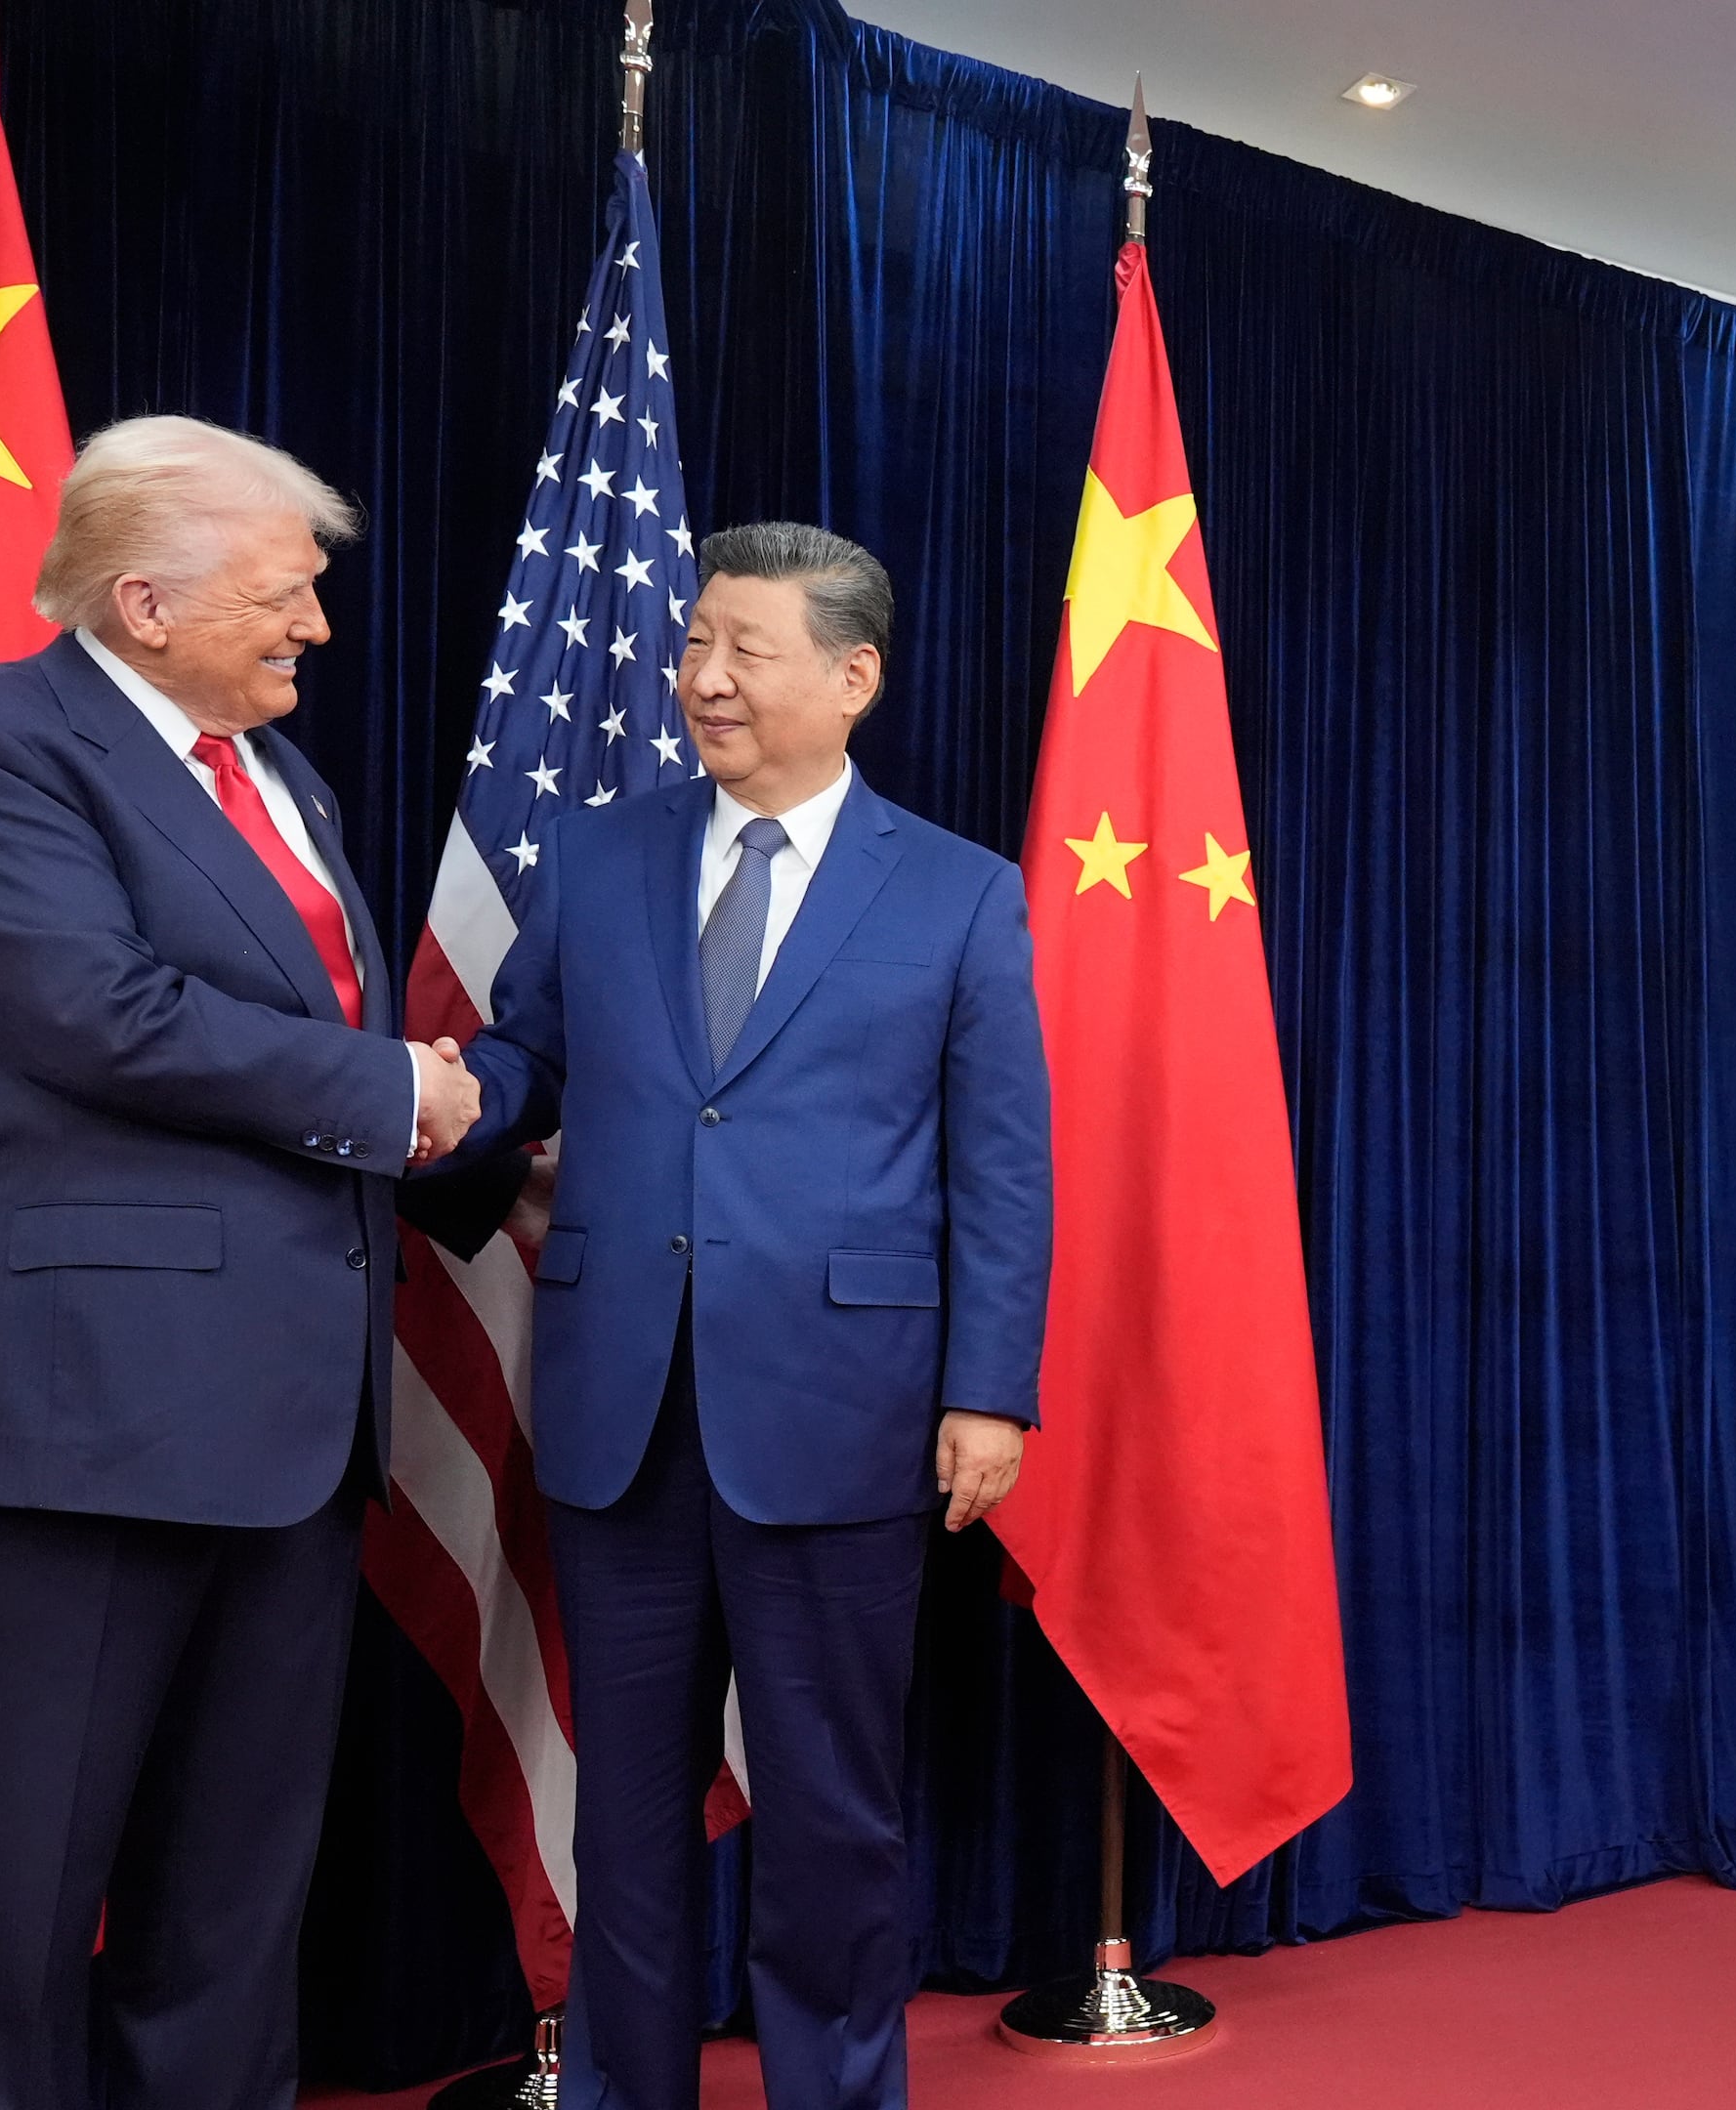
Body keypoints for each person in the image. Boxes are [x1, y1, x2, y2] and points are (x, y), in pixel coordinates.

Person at [0, 416, 483, 2106]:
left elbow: (294, 1045)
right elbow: (95, 1014)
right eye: (284, 594)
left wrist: (469, 1152)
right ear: (143, 602)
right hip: (78, 1413)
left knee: (232, 1903)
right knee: (23, 1894)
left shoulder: (278, 771)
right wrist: (395, 1093)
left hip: (292, 1420)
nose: (316, 626)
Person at [421, 522, 1050, 2110]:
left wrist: (990, 1391)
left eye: (743, 650)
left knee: (832, 1816)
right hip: (621, 1410)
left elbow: (1001, 1166)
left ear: (853, 679)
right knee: (625, 1816)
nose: (702, 677)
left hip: (843, 1412)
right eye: (694, 642)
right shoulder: (603, 857)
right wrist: (433, 1102)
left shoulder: (961, 895)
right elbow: (528, 1060)